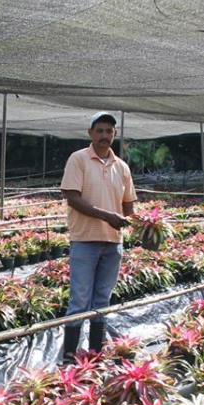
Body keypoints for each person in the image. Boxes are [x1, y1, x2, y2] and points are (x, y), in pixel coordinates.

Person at [59, 111, 137, 360]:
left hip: (113, 243)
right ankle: (70, 357)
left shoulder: (122, 167)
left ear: (115, 134)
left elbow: (128, 206)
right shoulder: (78, 159)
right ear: (90, 133)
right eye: (100, 130)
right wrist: (107, 217)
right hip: (85, 240)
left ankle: (94, 354)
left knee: (102, 300)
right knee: (80, 300)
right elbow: (72, 197)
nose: (104, 135)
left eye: (109, 131)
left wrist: (145, 227)